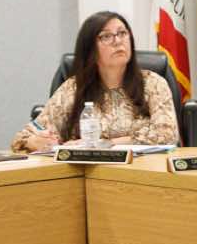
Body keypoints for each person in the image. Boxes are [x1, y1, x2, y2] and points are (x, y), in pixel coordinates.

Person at [12, 11, 177, 151]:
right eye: (106, 36)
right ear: (90, 49)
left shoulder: (153, 83)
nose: (118, 41)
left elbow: (167, 134)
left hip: (142, 171)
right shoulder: (73, 88)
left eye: (122, 33)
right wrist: (36, 141)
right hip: (87, 174)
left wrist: (106, 143)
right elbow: (22, 138)